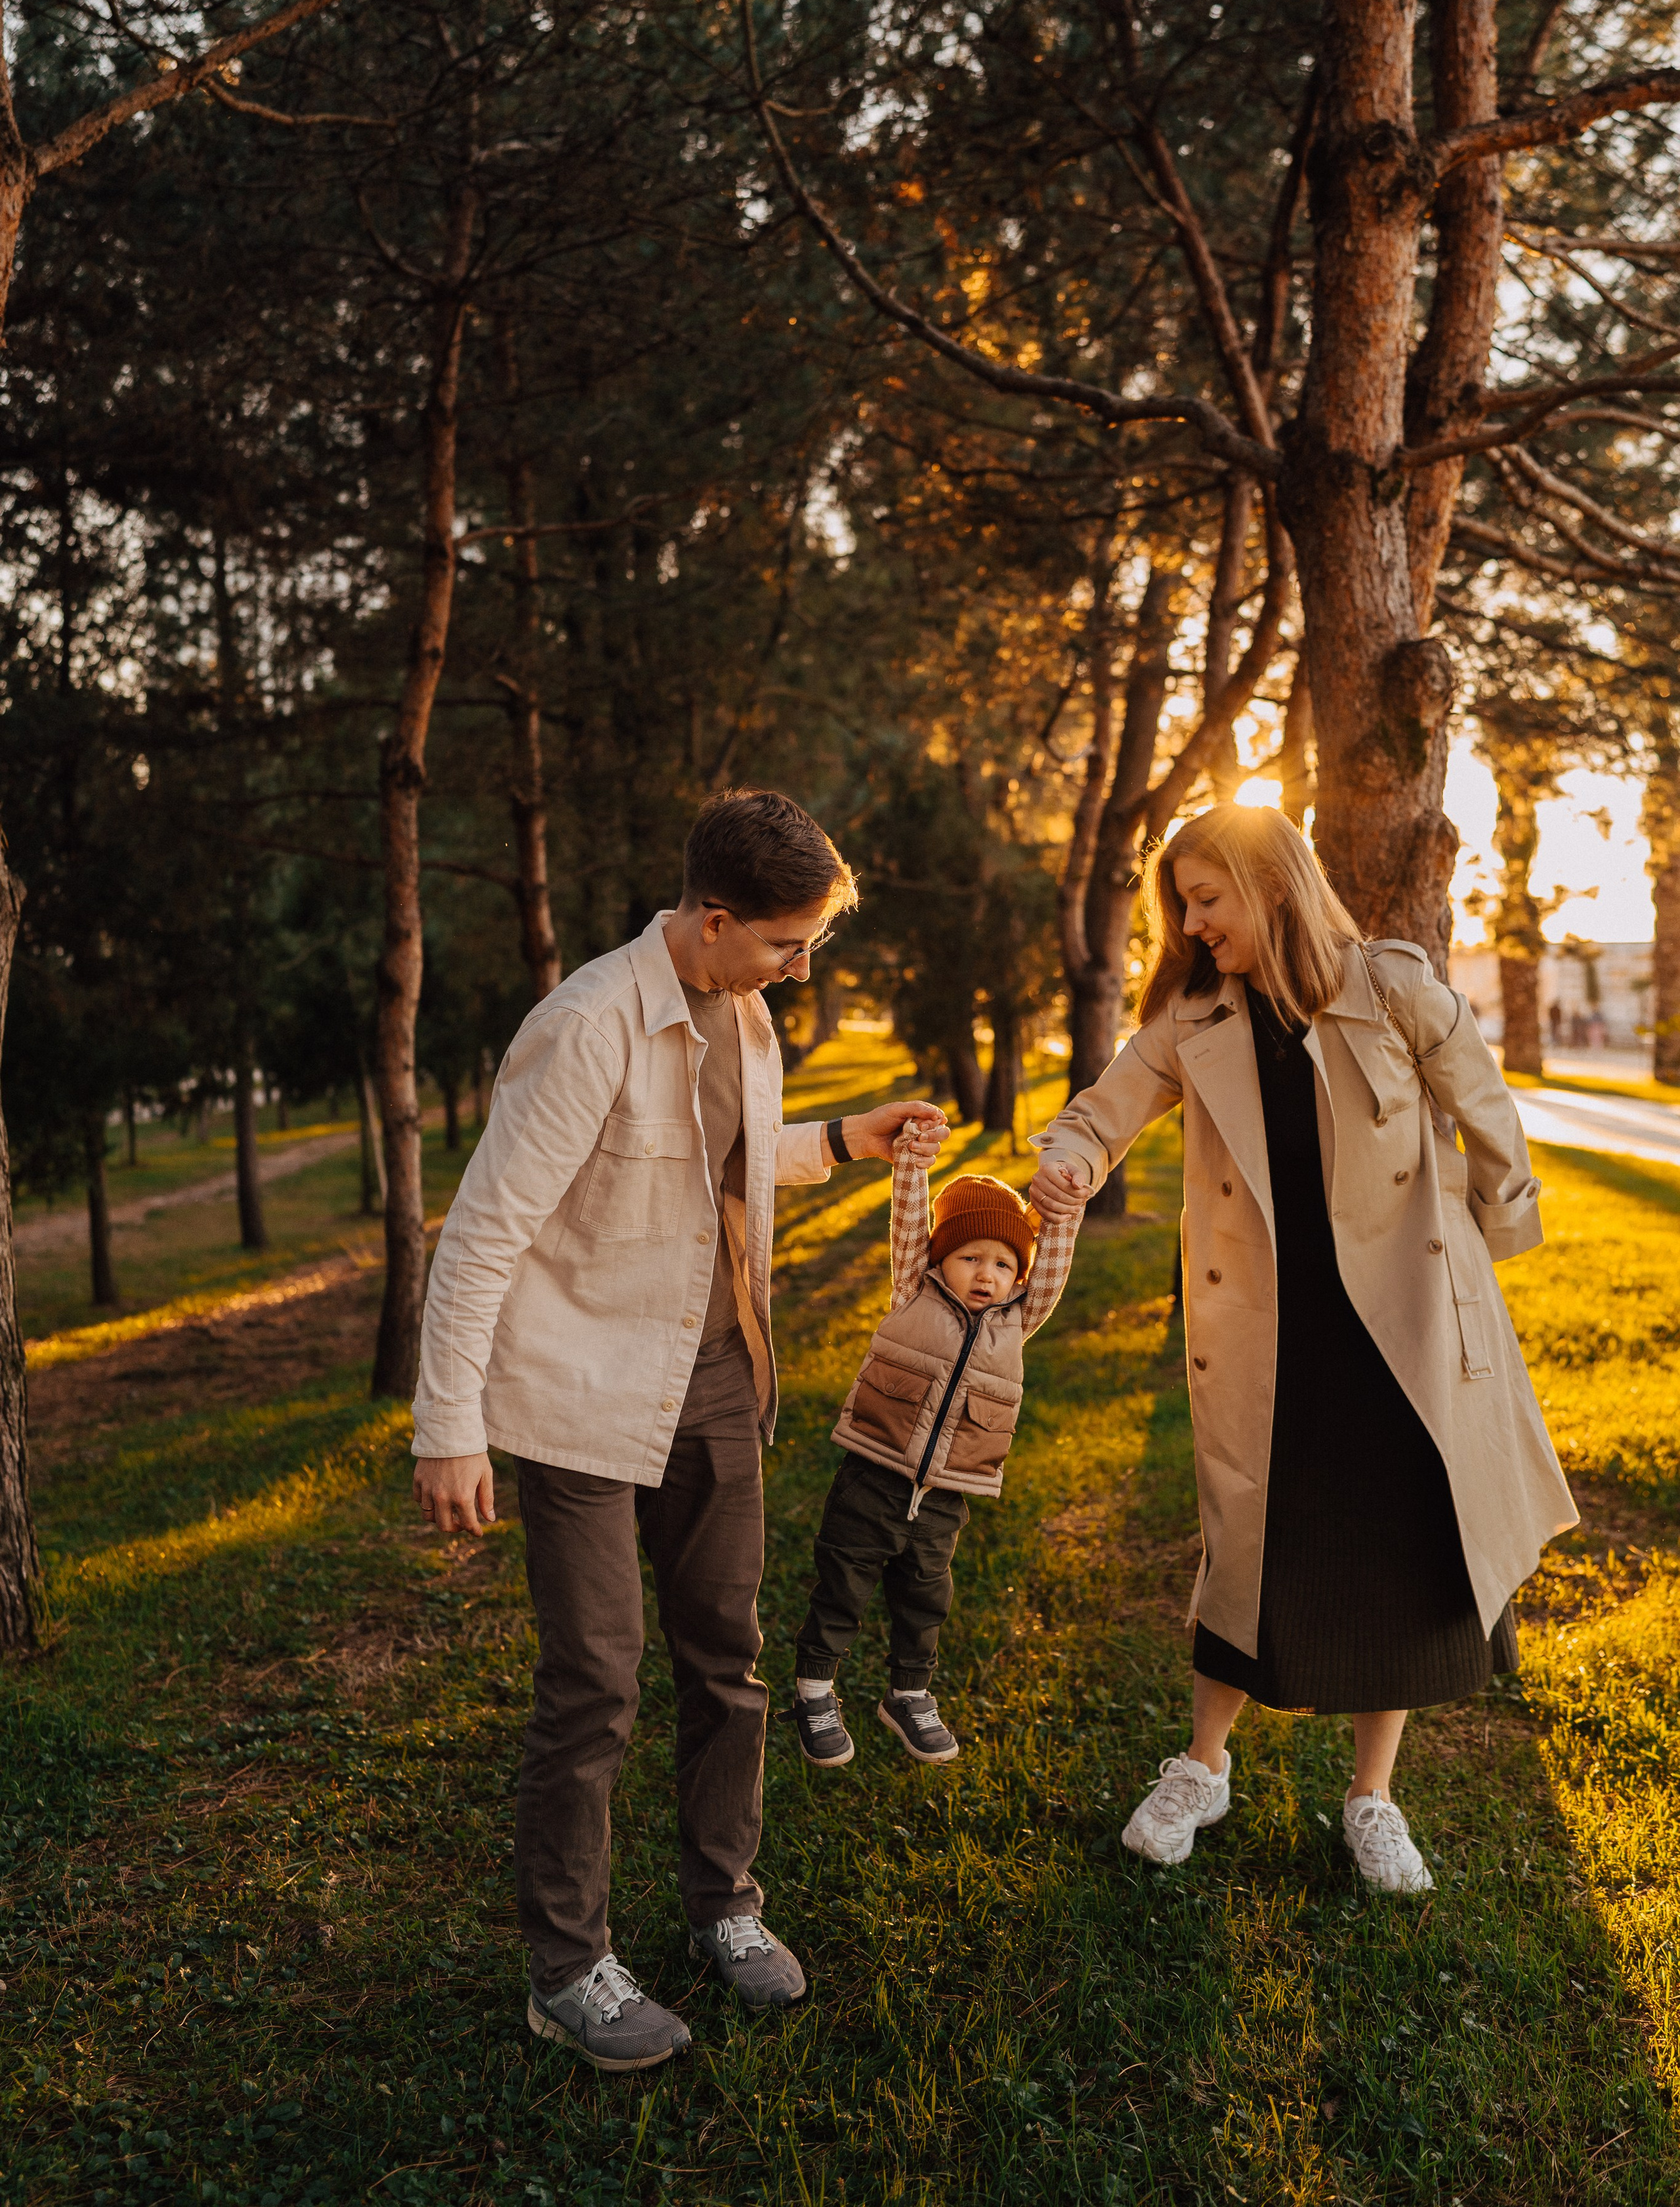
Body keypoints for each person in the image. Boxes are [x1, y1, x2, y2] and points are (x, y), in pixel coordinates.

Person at [410, 789, 948, 2070]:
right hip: (579, 1397)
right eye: (782, 942)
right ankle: (567, 1969)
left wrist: (836, 1143)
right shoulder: (588, 1025)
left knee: (725, 1662)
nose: (798, 966)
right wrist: (448, 1424)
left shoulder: (745, 1016)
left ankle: (725, 1907)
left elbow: (721, 1159)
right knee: (595, 1682)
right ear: (711, 921)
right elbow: (484, 1229)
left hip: (714, 1384)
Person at [1028, 805, 1576, 1896]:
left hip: (1406, 1322)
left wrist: (1491, 1260)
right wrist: (1068, 1163)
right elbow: (1103, 1110)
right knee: (1248, 1547)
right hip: (1269, 1335)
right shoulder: (1193, 1017)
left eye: (1207, 898)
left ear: (1272, 886)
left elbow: (1490, 1116)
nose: (1191, 922)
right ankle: (1203, 1766)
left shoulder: (1395, 989)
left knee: (1405, 1548)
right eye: (1181, 903)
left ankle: (1373, 1800)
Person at [789, 1131, 1081, 1769]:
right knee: (844, 1578)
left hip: (946, 1491)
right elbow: (907, 1224)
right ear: (940, 1259)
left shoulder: (1018, 1321)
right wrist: (913, 1165)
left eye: (1004, 1264)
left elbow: (1053, 1253)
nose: (988, 1273)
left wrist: (1066, 1200)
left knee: (926, 1595)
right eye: (971, 1257)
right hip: (875, 1472)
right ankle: (814, 1686)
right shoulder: (912, 1290)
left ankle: (909, 1694)